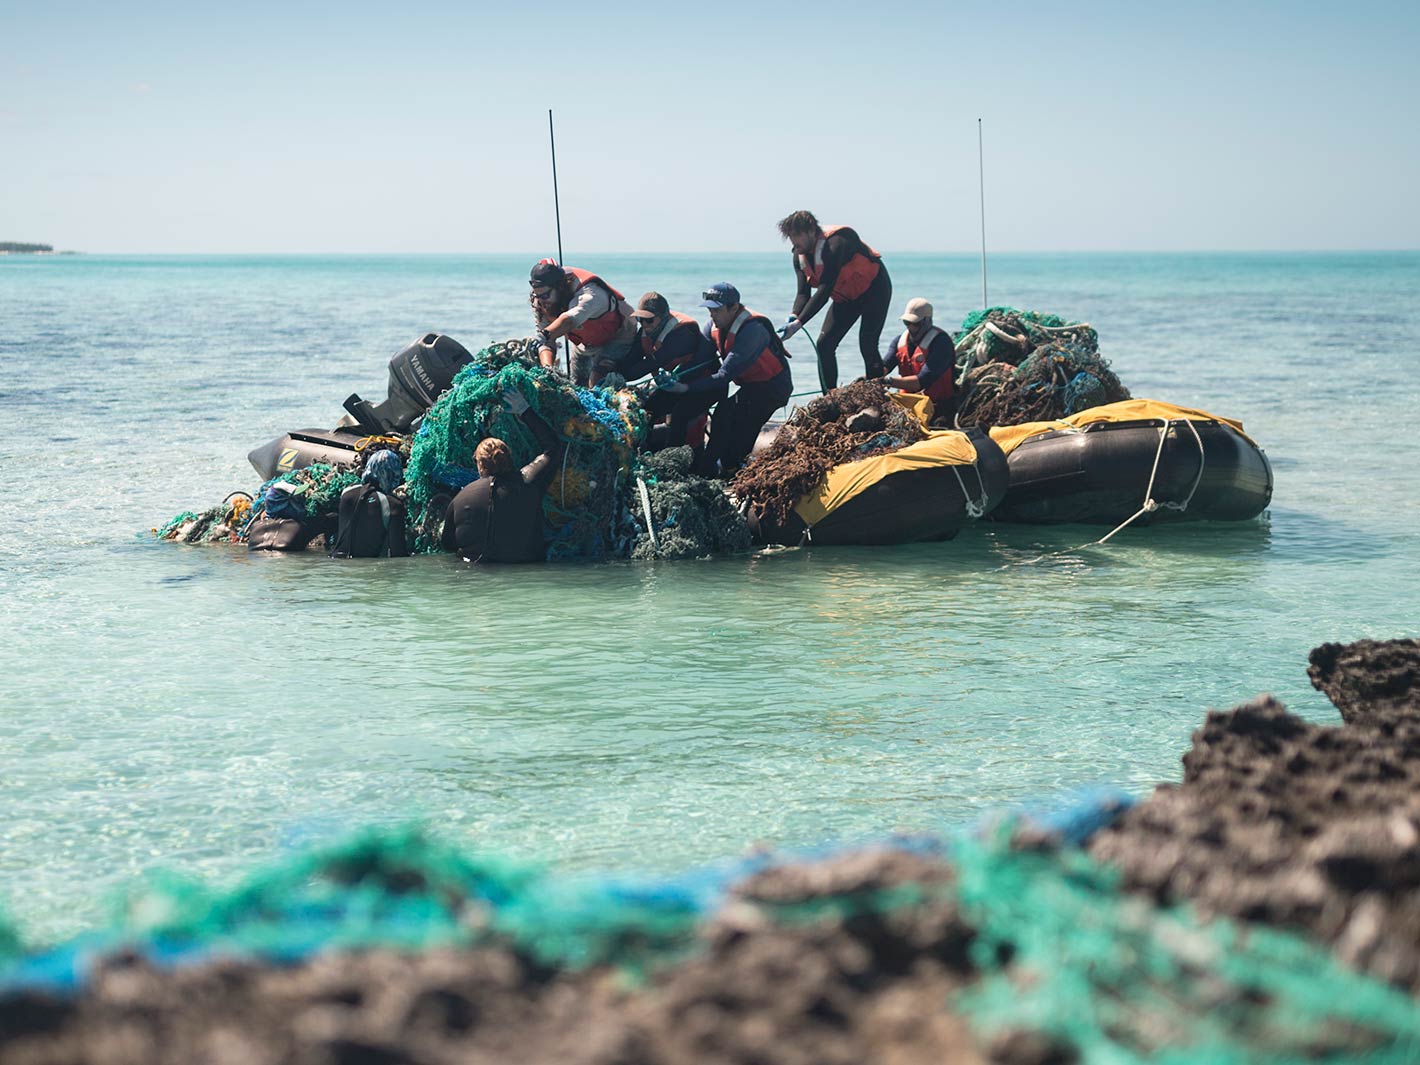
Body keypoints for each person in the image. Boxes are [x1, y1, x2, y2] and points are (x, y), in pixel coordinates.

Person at [658, 283, 792, 478]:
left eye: (717, 310)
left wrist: (684, 388)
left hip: (773, 388)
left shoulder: (753, 331)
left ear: (734, 308)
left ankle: (733, 470)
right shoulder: (712, 327)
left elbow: (723, 376)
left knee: (742, 425)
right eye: (710, 309)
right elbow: (699, 361)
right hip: (750, 386)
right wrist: (674, 376)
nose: (712, 315)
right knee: (722, 415)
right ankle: (709, 470)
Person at [441, 388, 567, 563]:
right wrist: (525, 411)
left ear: (480, 465)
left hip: (477, 577)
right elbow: (553, 448)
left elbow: (448, 545)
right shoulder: (528, 482)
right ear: (509, 456)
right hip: (528, 572)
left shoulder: (460, 499)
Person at [777, 210, 892, 393]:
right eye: (791, 237)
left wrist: (799, 324)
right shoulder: (799, 257)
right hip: (846, 298)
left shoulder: (836, 243)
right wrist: (793, 316)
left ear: (812, 231)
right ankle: (829, 398)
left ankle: (876, 394)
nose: (794, 242)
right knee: (824, 345)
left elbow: (825, 289)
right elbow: (803, 294)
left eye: (797, 236)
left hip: (874, 289)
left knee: (868, 343)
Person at [629, 292, 725, 453]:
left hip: (704, 385)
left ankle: (674, 457)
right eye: (640, 319)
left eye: (649, 320)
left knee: (680, 414)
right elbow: (631, 362)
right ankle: (643, 450)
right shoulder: (646, 332)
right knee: (648, 409)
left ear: (663, 317)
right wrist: (610, 373)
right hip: (677, 385)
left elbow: (648, 365)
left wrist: (623, 376)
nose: (644, 324)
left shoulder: (682, 334)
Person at [529, 259, 638, 387]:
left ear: (559, 287)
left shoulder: (590, 295)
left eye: (545, 296)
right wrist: (548, 370)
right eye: (537, 295)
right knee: (577, 382)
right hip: (587, 342)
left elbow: (569, 320)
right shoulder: (541, 299)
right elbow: (546, 341)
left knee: (598, 379)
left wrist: (544, 335)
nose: (541, 301)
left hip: (618, 335)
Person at [882, 298, 960, 426]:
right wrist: (869, 377)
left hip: (938, 405)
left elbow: (922, 381)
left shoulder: (941, 342)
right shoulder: (899, 341)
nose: (911, 327)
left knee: (940, 425)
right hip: (908, 404)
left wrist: (888, 382)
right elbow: (885, 366)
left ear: (928, 321)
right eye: (907, 322)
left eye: (916, 323)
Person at [331, 449, 409, 558]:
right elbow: (399, 554)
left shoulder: (347, 493)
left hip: (341, 566)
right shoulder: (393, 505)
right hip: (370, 569)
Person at [247, 482, 334, 552]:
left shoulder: (255, 526)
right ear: (283, 503)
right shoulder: (301, 526)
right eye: (298, 499)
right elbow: (333, 518)